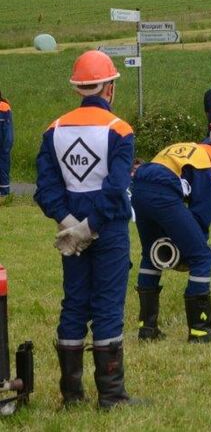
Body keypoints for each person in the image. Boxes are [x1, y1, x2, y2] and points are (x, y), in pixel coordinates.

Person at [34, 50, 137, 409]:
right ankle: (111, 396)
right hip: (107, 229)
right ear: (108, 87)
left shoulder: (54, 130)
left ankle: (72, 396)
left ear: (79, 88)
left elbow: (45, 189)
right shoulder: (119, 131)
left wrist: (71, 227)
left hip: (70, 229)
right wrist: (90, 228)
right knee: (107, 306)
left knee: (74, 304)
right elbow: (116, 188)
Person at [131, 114, 211, 344]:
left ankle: (147, 329)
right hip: (163, 191)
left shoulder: (190, 147)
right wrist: (194, 241)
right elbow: (205, 206)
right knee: (201, 257)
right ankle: (200, 330)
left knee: (151, 254)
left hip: (139, 186)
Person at [0, 91, 13, 198]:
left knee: (3, 168)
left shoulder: (4, 107)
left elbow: (8, 132)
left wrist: (6, 147)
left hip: (2, 147)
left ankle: (4, 194)